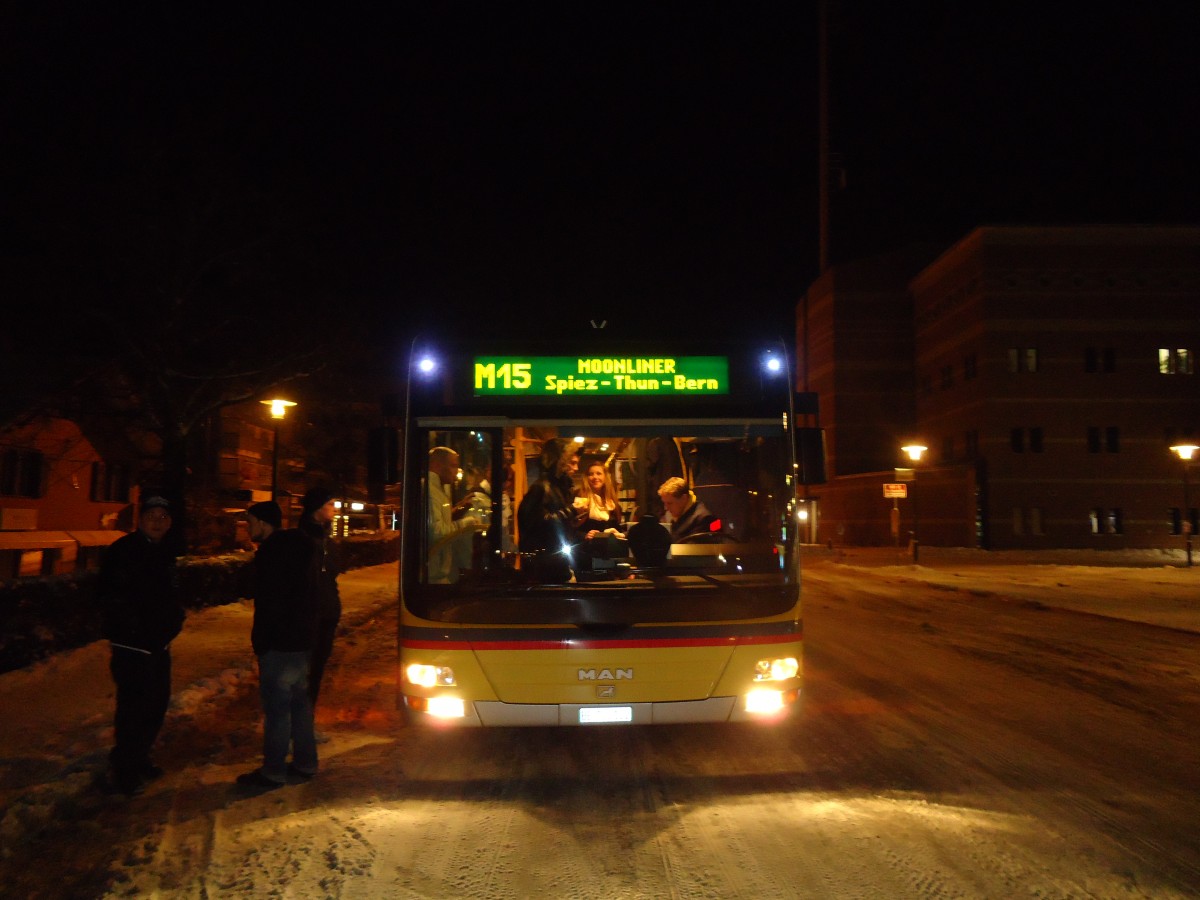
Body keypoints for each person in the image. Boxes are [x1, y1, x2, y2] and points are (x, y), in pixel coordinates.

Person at [97, 495, 186, 796]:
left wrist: (174, 622)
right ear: (140, 519)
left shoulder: (165, 553)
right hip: (133, 647)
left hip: (159, 646)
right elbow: (110, 597)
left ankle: (139, 757)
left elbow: (172, 596)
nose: (158, 521)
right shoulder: (124, 552)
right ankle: (125, 769)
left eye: (163, 516)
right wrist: (135, 629)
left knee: (156, 705)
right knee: (133, 709)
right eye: (152, 515)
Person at [236, 501, 320, 792]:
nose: (248, 528)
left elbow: (270, 604)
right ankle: (305, 763)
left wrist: (262, 640)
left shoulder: (272, 555)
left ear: (263, 523)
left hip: (279, 643)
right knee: (299, 705)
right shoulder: (299, 550)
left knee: (278, 709)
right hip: (300, 640)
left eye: (250, 522)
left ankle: (273, 771)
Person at [298, 487, 342, 715]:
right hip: (310, 614)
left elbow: (331, 575)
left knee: (316, 671)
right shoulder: (304, 540)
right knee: (305, 671)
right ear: (317, 509)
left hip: (326, 613)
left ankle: (305, 720)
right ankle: (299, 722)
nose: (334, 509)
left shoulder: (327, 539)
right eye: (330, 504)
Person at [517, 438, 586, 581]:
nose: (576, 468)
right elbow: (537, 524)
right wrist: (571, 511)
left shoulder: (561, 488)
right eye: (572, 462)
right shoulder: (541, 488)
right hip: (543, 570)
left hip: (557, 565)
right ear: (559, 462)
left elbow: (555, 527)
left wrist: (575, 521)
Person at [427, 446, 483, 583]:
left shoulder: (440, 488)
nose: (457, 471)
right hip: (433, 575)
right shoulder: (429, 490)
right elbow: (436, 532)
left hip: (440, 571)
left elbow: (442, 519)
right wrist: (466, 523)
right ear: (436, 465)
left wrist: (461, 507)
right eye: (453, 466)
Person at [658, 476, 719, 541]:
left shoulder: (704, 520)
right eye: (664, 503)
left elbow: (691, 549)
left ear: (684, 498)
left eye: (669, 503)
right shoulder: (674, 515)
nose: (666, 508)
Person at [577, 461, 624, 540]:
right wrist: (584, 535)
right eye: (591, 474)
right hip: (587, 548)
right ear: (586, 478)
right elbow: (570, 529)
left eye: (599, 473)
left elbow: (618, 527)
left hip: (609, 549)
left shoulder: (613, 503)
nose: (595, 477)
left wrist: (618, 533)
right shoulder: (580, 500)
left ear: (605, 477)